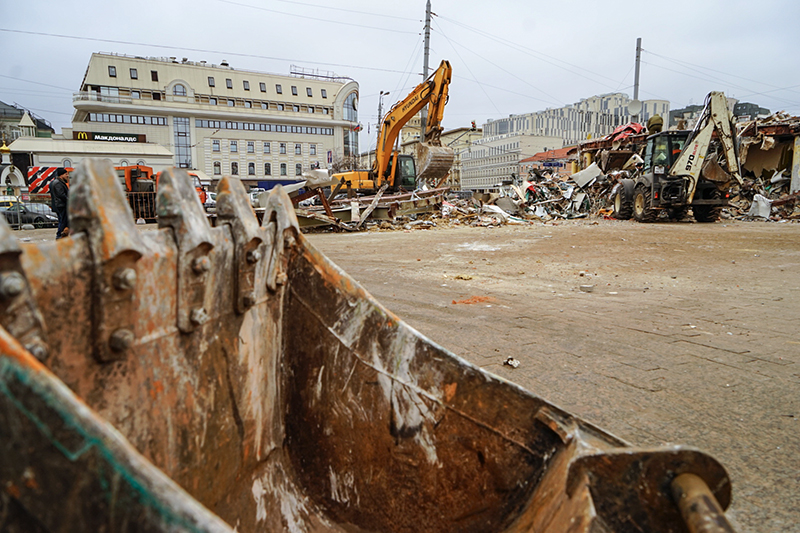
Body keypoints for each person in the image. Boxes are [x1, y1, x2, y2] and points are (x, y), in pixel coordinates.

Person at [50, 168, 70, 239]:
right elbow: (61, 195)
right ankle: (59, 236)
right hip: (61, 205)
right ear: (61, 175)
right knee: (63, 222)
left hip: (60, 205)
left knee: (63, 221)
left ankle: (62, 235)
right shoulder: (58, 183)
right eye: (66, 174)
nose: (67, 175)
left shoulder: (58, 182)